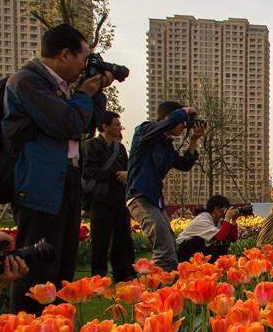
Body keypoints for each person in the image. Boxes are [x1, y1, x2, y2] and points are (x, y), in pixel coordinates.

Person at [2, 23, 112, 313]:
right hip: (40, 185)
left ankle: (57, 326)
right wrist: (84, 95)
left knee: (64, 263)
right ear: (64, 54)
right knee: (37, 265)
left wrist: (97, 92)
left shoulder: (62, 89)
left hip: (66, 180)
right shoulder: (28, 81)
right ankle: (28, 330)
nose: (85, 65)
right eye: (84, 57)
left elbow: (87, 125)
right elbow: (67, 123)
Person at [126, 101, 204, 271]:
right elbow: (167, 122)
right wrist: (184, 111)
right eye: (183, 122)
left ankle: (166, 288)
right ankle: (160, 291)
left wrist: (194, 141)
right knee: (164, 248)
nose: (184, 126)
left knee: (169, 242)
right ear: (171, 118)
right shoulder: (145, 131)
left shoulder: (166, 146)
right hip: (140, 196)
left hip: (155, 199)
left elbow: (184, 164)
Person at [82, 111, 135, 282]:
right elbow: (89, 171)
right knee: (100, 239)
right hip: (100, 198)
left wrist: (126, 175)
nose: (119, 127)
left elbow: (128, 168)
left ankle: (122, 273)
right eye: (116, 124)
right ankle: (98, 276)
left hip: (119, 198)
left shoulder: (119, 148)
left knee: (122, 237)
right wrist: (115, 175)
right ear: (105, 126)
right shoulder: (92, 145)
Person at [175, 195, 240, 261]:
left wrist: (233, 221)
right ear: (216, 208)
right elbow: (221, 236)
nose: (226, 212)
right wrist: (227, 218)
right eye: (225, 209)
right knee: (198, 240)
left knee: (223, 245)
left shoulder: (217, 221)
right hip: (183, 250)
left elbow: (232, 239)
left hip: (195, 249)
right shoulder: (203, 219)